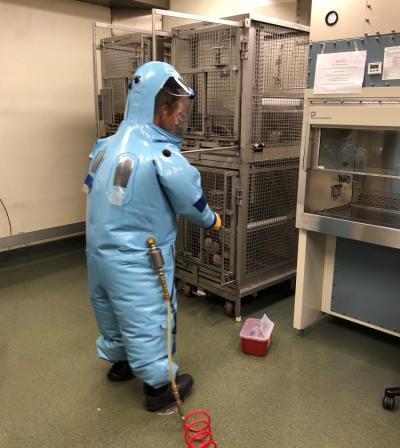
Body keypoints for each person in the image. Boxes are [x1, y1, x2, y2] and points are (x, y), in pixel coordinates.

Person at [84, 61, 221, 411]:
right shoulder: (161, 155)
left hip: (98, 254)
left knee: (110, 310)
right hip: (139, 259)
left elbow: (91, 187)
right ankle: (159, 387)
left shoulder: (104, 146)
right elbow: (191, 200)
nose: (180, 120)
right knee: (147, 315)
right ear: (161, 110)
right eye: (179, 112)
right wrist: (213, 221)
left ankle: (121, 362)